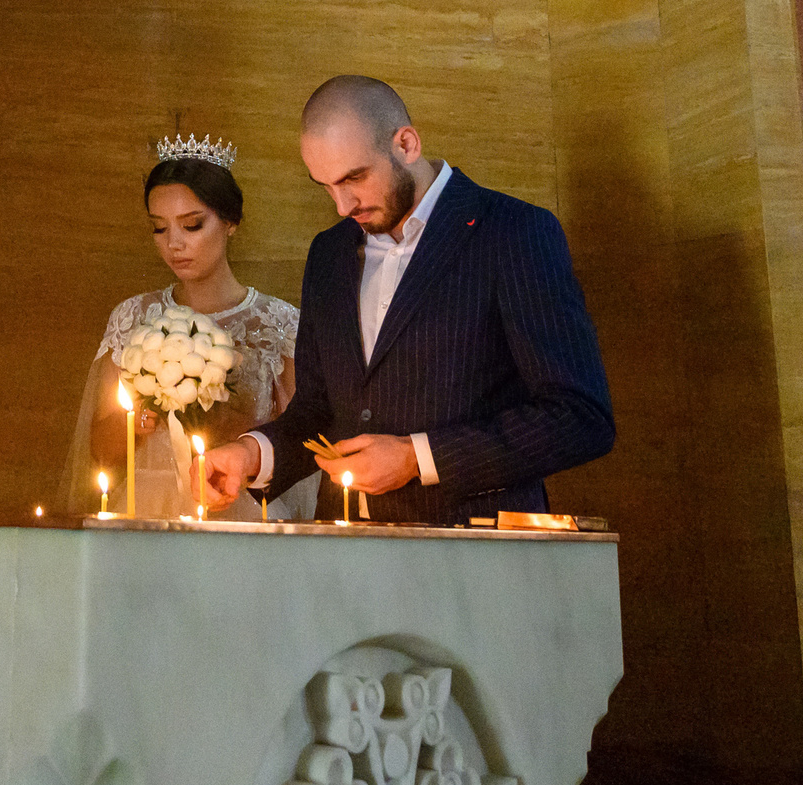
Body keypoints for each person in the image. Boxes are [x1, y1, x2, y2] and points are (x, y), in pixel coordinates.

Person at [201, 76, 614, 524]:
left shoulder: (514, 233)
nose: (342, 205)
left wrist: (418, 458)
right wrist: (252, 453)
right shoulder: (329, 253)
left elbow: (580, 416)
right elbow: (320, 412)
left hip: (475, 556)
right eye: (325, 185)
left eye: (354, 178)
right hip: (343, 561)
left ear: (406, 143)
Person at [68, 139, 319, 520]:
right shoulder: (135, 316)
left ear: (231, 222)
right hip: (150, 509)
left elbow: (302, 441)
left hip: (244, 512)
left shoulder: (279, 324)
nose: (174, 244)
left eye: (192, 225)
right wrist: (140, 418)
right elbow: (101, 450)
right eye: (159, 228)